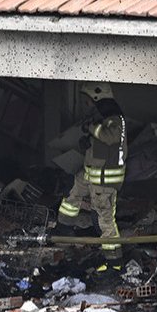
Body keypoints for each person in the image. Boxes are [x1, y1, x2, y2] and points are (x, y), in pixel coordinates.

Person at [57, 82, 126, 270]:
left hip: (104, 180)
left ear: (98, 100)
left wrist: (91, 128)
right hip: (91, 173)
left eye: (87, 101)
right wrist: (87, 141)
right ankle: (63, 229)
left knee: (105, 221)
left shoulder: (115, 120)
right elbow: (100, 145)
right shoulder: (101, 119)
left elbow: (110, 137)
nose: (85, 105)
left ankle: (114, 263)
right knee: (72, 194)